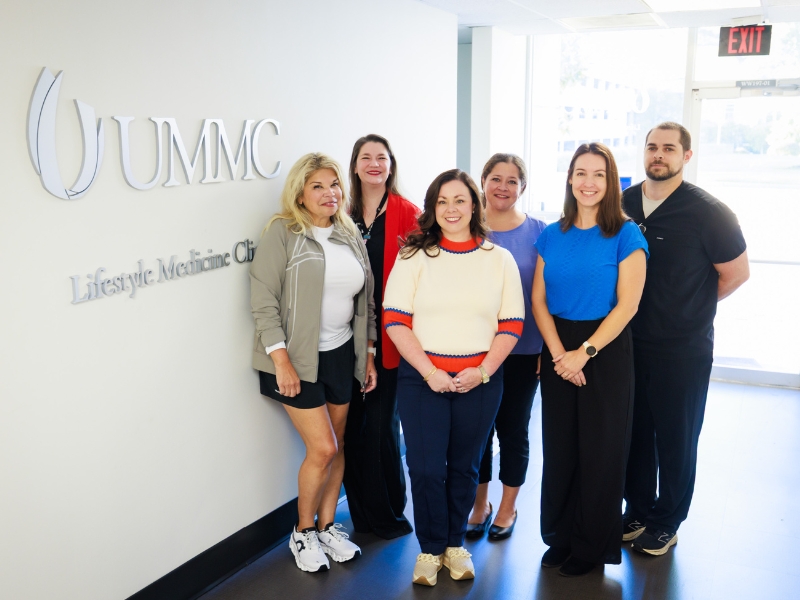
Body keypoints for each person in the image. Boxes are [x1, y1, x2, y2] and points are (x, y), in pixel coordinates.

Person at [383, 169, 524, 586]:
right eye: (442, 201)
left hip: (479, 380)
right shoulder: (413, 256)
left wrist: (481, 371)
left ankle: (454, 544)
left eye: (460, 200)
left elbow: (511, 324)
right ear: (432, 207)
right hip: (422, 378)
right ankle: (430, 549)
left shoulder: (498, 260)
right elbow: (395, 320)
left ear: (474, 205)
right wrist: (430, 372)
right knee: (427, 468)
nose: (451, 209)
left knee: (465, 467)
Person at [622, 122, 749, 556]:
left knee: (676, 437)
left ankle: (666, 521)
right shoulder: (623, 203)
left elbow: (736, 273)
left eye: (669, 148)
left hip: (682, 348)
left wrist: (689, 308)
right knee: (635, 433)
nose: (659, 155)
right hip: (628, 342)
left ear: (686, 156)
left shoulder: (709, 212)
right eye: (652, 147)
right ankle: (638, 509)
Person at [250, 153, 378, 573]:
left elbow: (367, 301)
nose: (329, 193)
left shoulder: (348, 232)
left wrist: (368, 354)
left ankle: (327, 527)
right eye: (317, 186)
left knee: (338, 445)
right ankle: (302, 531)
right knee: (323, 448)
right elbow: (263, 300)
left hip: (342, 353)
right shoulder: (283, 232)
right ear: (300, 194)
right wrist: (281, 361)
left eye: (334, 184)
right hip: (296, 359)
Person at [532, 142, 648, 577]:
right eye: (581, 172)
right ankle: (560, 536)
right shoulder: (552, 233)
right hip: (558, 347)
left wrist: (583, 354)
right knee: (560, 448)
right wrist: (560, 355)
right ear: (569, 178)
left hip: (605, 347)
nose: (589, 182)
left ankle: (591, 543)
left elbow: (628, 305)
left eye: (599, 174)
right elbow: (538, 300)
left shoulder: (626, 234)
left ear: (611, 181)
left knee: (601, 450)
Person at [466, 154, 546, 541]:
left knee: (513, 430)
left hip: (524, 350)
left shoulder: (540, 232)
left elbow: (548, 294)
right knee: (477, 433)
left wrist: (548, 347)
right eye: (495, 178)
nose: (502, 187)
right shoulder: (466, 226)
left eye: (512, 181)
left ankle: (508, 507)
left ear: (522, 187)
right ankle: (479, 504)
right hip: (473, 349)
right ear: (482, 182)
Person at [342, 134, 418, 540]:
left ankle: (389, 513)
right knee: (352, 427)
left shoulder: (410, 214)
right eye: (365, 157)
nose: (374, 163)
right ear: (355, 166)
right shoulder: (342, 214)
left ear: (391, 165)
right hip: (344, 338)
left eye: (381, 157)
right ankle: (363, 516)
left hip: (390, 338)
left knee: (381, 425)